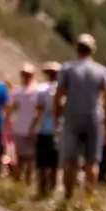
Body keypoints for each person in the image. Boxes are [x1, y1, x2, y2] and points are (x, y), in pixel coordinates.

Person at [54, 33, 106, 198]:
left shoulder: (67, 69)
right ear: (93, 50)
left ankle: (68, 195)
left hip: (72, 115)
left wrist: (57, 118)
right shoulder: (101, 71)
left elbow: (59, 96)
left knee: (69, 159)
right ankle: (88, 198)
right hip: (94, 116)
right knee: (91, 161)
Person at [29, 62, 61, 196]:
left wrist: (32, 126)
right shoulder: (63, 88)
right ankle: (52, 189)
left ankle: (41, 189)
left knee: (42, 162)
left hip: (44, 128)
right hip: (58, 129)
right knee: (54, 163)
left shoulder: (42, 89)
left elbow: (39, 110)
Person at [8, 63, 43, 185]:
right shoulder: (17, 91)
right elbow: (13, 108)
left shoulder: (37, 91)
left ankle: (28, 182)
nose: (25, 77)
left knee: (31, 158)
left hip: (33, 128)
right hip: (20, 127)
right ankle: (17, 182)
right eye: (24, 74)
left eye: (28, 74)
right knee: (20, 157)